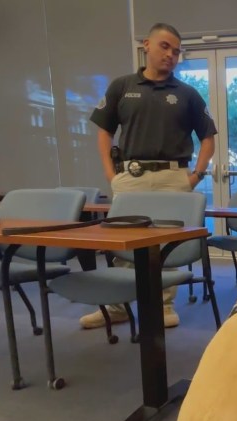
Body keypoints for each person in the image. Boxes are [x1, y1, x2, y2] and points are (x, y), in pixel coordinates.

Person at [81, 22, 217, 329]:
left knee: (166, 244)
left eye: (177, 51)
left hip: (173, 177)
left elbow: (208, 137)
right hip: (130, 176)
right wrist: (110, 174)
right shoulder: (122, 87)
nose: (171, 55)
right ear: (147, 45)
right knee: (122, 241)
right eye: (165, 47)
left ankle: (164, 305)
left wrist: (196, 175)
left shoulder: (187, 94)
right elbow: (104, 131)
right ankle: (117, 306)